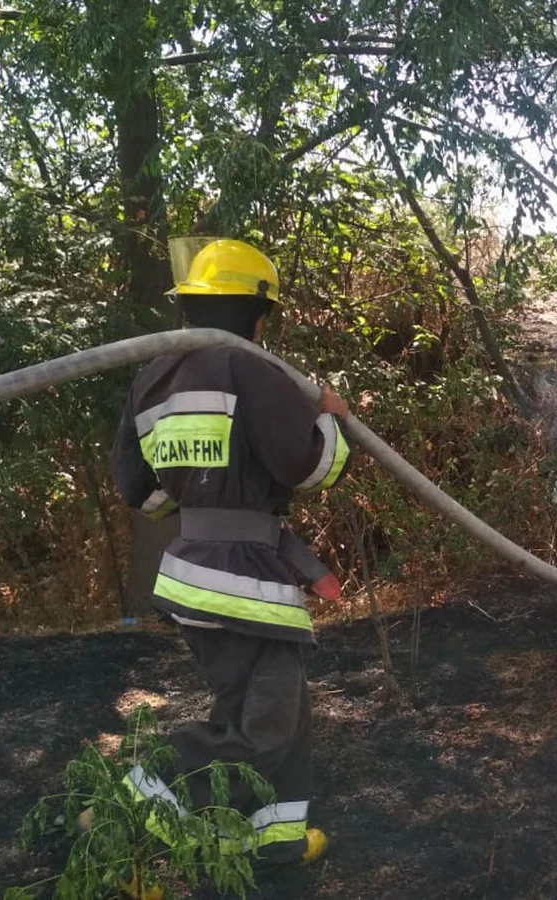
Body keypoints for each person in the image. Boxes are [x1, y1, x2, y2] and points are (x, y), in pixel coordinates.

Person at [105, 238, 352, 878]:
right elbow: (304, 465)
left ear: (189, 307)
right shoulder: (253, 369)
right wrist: (330, 421)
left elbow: (137, 485)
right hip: (244, 581)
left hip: (192, 571)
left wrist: (197, 508)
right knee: (266, 727)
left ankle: (269, 842)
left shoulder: (152, 374)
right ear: (258, 313)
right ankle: (136, 807)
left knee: (275, 715)